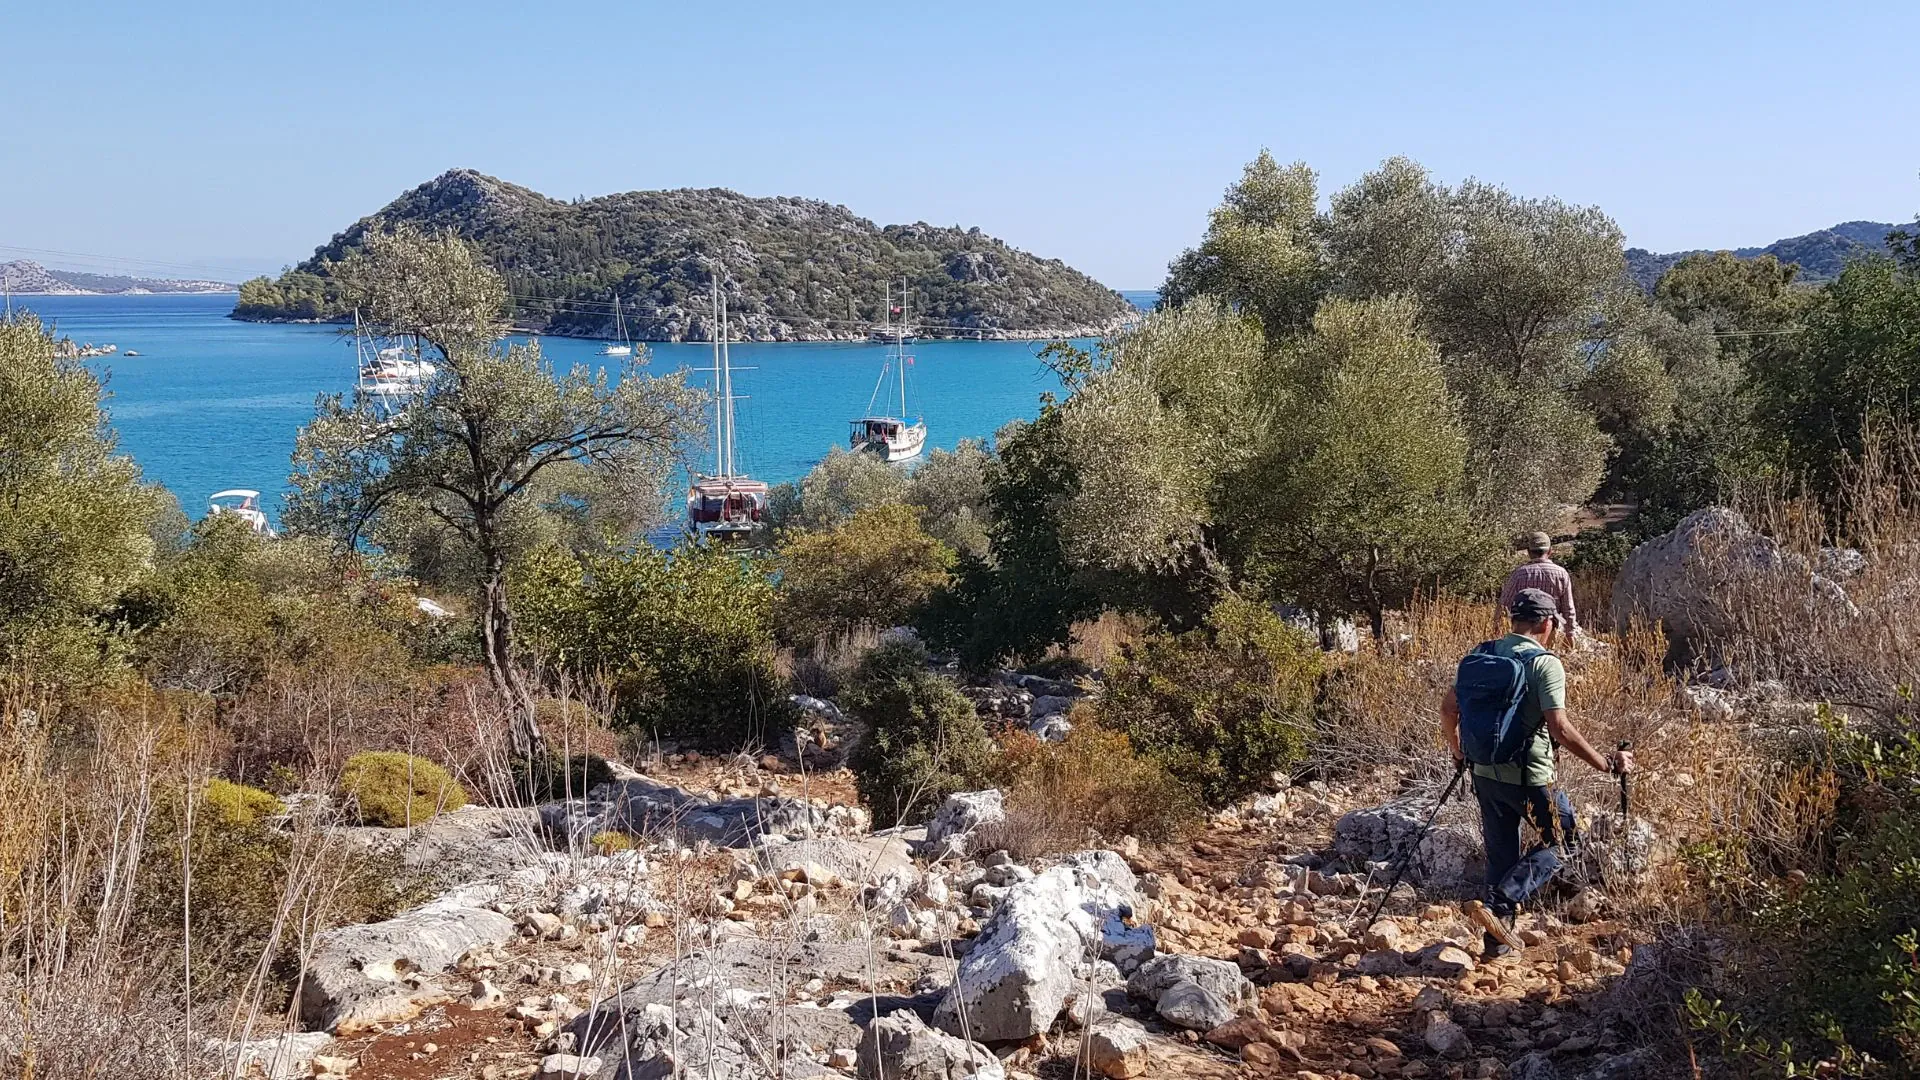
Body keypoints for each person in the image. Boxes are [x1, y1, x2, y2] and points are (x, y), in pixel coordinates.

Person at [1440, 588, 1633, 957]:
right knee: (1565, 843)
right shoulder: (1545, 663)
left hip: (1484, 773)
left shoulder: (1483, 654)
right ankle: (1501, 901)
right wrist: (1606, 764)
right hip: (1531, 776)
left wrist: (1459, 751)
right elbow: (1560, 728)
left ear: (1513, 620)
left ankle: (1496, 946)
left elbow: (1449, 709)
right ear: (1547, 623)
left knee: (1501, 855)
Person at [1499, 532, 1578, 636]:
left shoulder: (1519, 574)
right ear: (1550, 551)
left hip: (1523, 631)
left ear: (1529, 552)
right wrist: (1570, 634)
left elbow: (1503, 606)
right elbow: (1568, 608)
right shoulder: (1561, 573)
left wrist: (1497, 630)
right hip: (1551, 630)